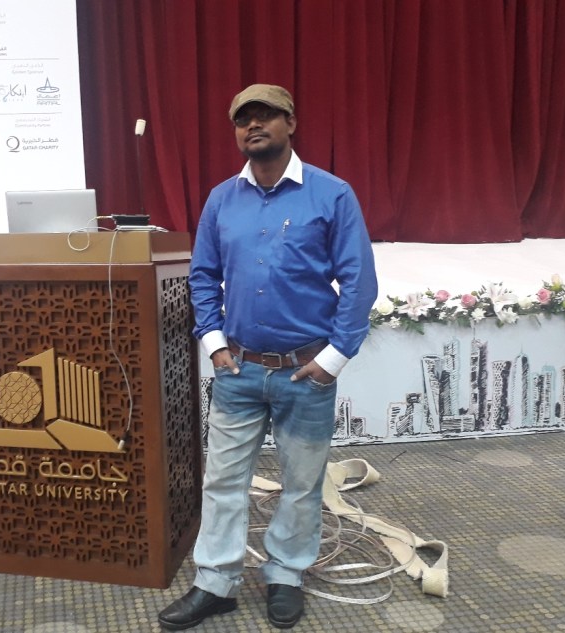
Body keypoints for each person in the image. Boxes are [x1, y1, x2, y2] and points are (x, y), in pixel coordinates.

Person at [158, 84, 378, 630]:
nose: (253, 126)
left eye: (266, 115)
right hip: (237, 370)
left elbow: (358, 281)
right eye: (243, 119)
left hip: (307, 373)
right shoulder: (221, 199)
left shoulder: (332, 195)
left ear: (291, 123)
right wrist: (213, 343)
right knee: (222, 482)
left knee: (301, 485)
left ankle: (286, 574)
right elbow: (203, 277)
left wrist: (334, 358)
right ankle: (215, 583)